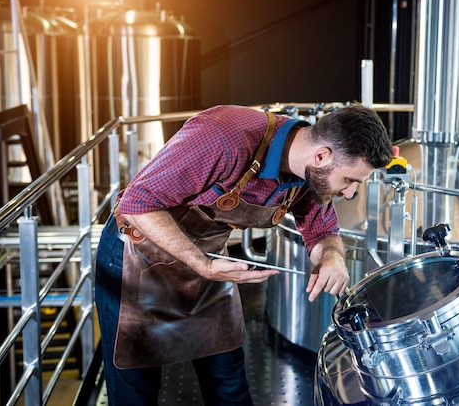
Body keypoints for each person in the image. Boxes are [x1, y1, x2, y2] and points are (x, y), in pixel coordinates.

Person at [95, 103, 394, 405]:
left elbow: (322, 231)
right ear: (322, 156)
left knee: (229, 385)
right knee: (137, 389)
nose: (349, 194)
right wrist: (202, 264)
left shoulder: (309, 171)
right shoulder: (223, 136)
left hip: (208, 262)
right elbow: (137, 204)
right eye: (350, 181)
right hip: (136, 258)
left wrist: (333, 257)